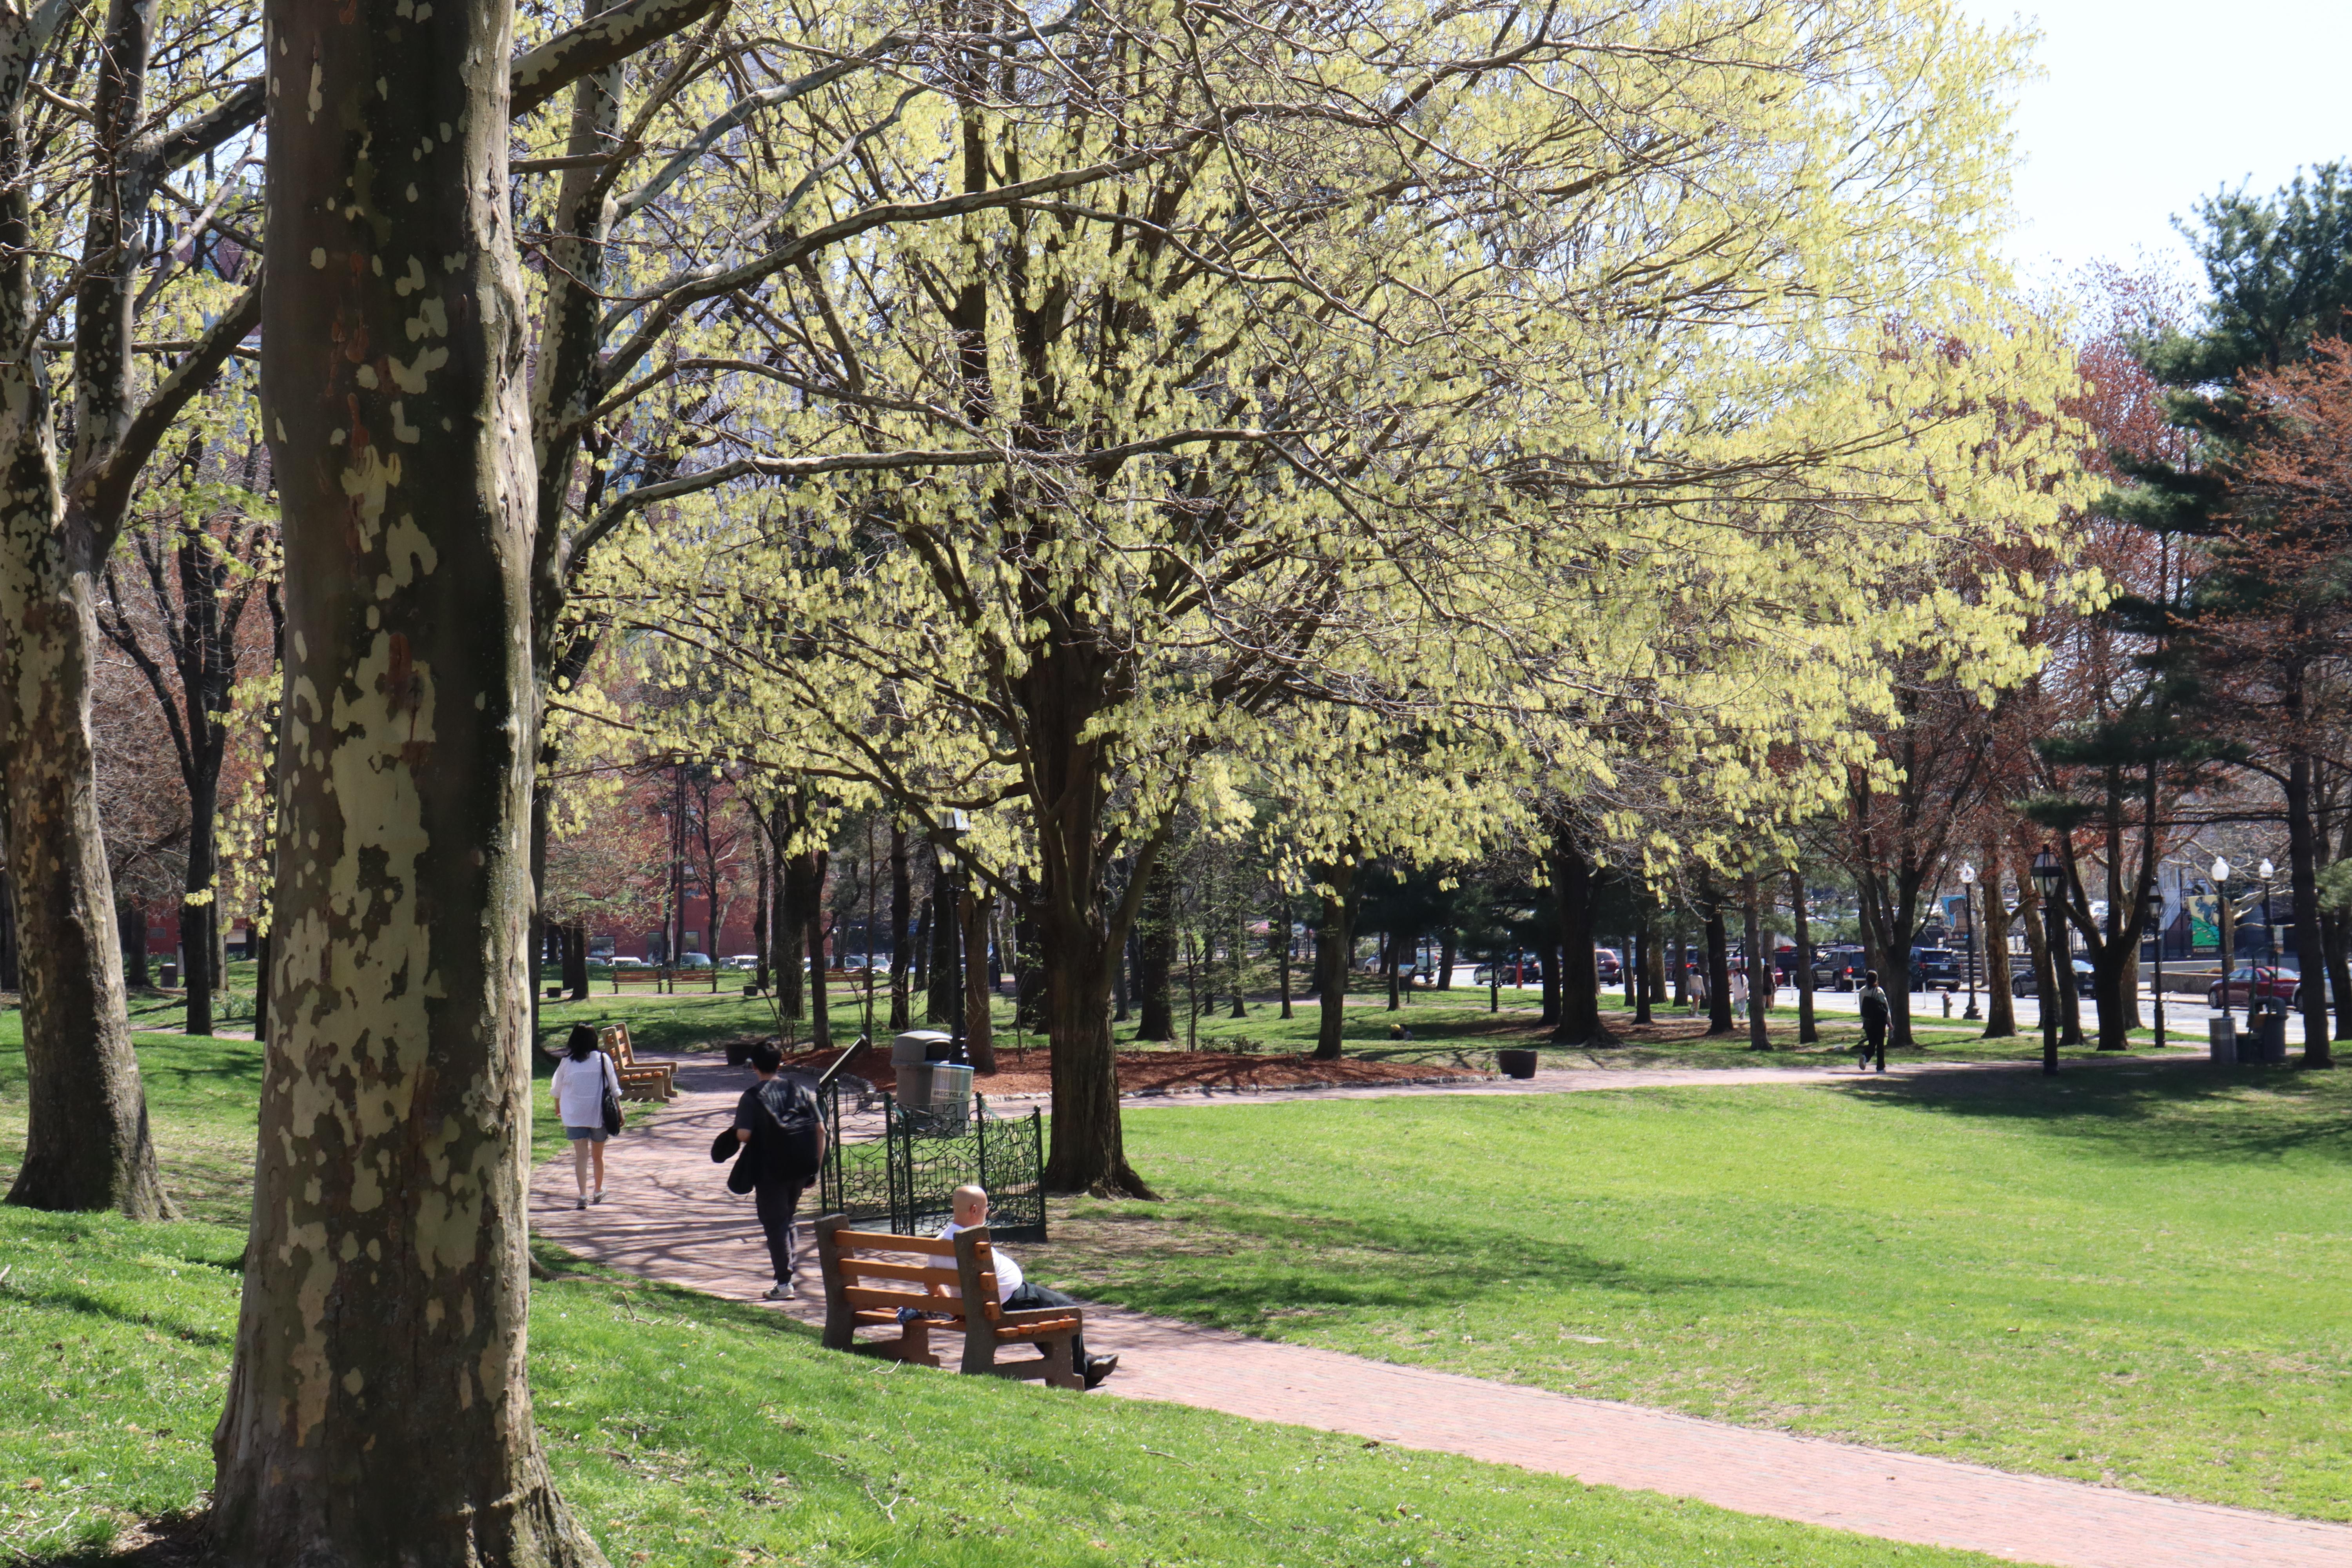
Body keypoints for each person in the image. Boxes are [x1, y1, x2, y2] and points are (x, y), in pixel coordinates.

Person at [936, 1184, 1118, 1390]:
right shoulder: (973, 1244)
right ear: (974, 1210)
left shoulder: (940, 1243)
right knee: (1068, 1310)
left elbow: (931, 1284)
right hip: (1010, 1302)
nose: (988, 1212)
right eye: (986, 1208)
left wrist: (955, 1309)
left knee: (1053, 1311)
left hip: (988, 1306)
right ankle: (1084, 1373)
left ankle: (1087, 1362)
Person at [735, 1041, 826, 1301]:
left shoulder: (752, 1097)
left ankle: (784, 1283)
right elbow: (821, 1131)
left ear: (754, 1067)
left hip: (770, 1170)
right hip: (800, 1167)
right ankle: (788, 1274)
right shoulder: (799, 1090)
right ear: (780, 1063)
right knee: (788, 1218)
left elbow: (743, 1134)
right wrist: (815, 1169)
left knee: (775, 1224)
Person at [550, 1024, 622, 1209]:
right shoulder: (603, 1059)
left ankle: (583, 1195)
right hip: (599, 1114)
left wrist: (558, 1106)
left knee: (581, 1156)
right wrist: (620, 1110)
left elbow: (557, 1088)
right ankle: (598, 1191)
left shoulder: (567, 1062)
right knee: (598, 1157)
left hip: (575, 1115)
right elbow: (613, 1088)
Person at [1857, 969, 1890, 1073]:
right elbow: (1885, 1008)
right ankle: (1880, 1067)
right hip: (1879, 1022)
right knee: (1880, 1044)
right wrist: (1889, 1022)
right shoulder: (1878, 991)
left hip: (1867, 1021)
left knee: (1872, 1042)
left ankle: (1865, 1056)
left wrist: (1864, 1019)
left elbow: (1862, 1006)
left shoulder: (1862, 991)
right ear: (1876, 980)